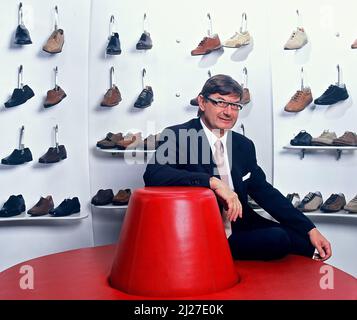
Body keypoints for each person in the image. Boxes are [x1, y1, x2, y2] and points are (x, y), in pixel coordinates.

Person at [143, 74, 332, 261]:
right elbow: (154, 174)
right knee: (278, 239)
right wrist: (212, 182)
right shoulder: (178, 135)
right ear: (202, 102)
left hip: (240, 224)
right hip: (200, 230)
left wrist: (309, 228)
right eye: (220, 102)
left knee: (305, 242)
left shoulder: (243, 145)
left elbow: (264, 191)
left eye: (235, 105)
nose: (228, 112)